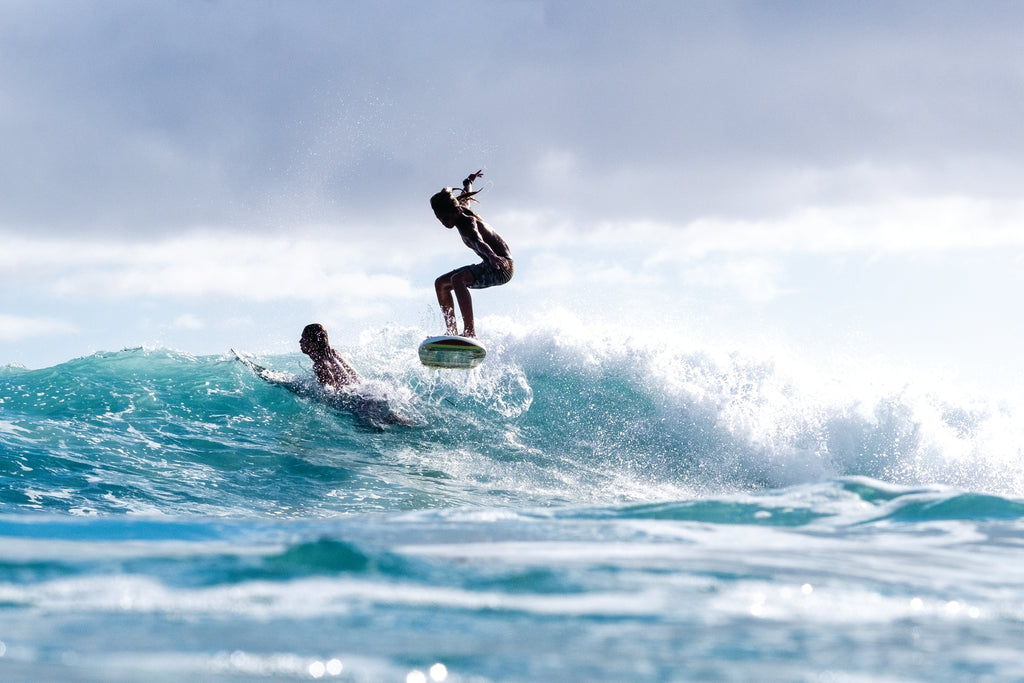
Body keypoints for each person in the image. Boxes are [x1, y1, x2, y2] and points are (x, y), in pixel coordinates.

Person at [430, 170, 513, 338]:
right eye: (440, 219)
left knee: (457, 279)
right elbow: (465, 193)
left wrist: (491, 256)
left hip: (502, 266)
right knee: (441, 283)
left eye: (446, 219)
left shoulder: (467, 223)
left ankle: (470, 333)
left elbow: (478, 242)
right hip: (490, 262)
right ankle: (451, 332)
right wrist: (469, 180)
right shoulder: (461, 207)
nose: (444, 223)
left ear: (455, 212)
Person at [299, 323, 362, 390]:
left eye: (304, 338)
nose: (300, 341)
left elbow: (331, 393)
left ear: (313, 343)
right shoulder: (334, 353)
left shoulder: (320, 365)